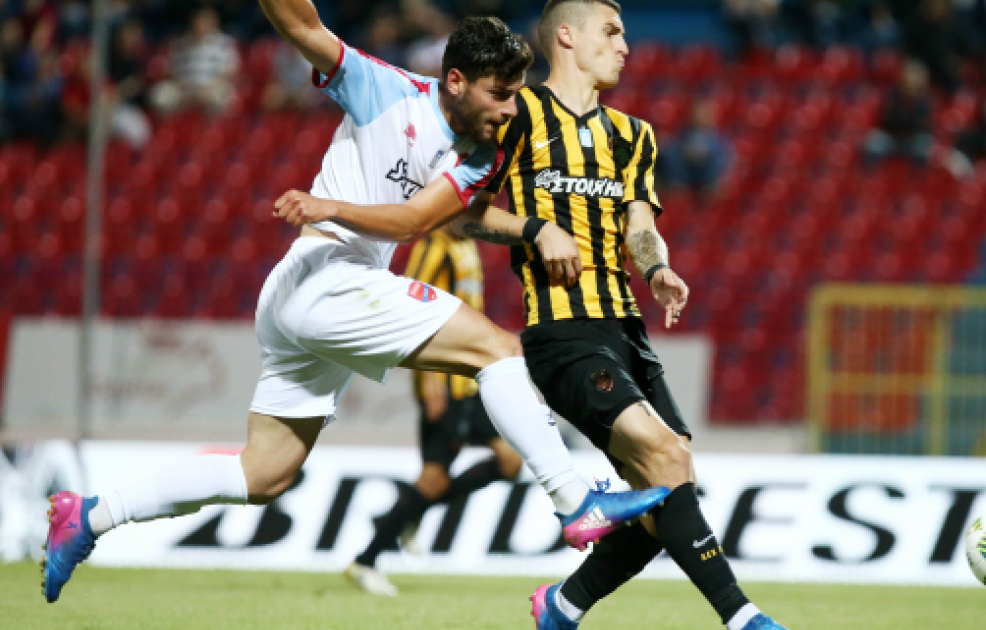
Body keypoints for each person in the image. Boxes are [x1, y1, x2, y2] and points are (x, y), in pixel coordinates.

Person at [40, 2, 670, 605]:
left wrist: (337, 206)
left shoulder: (481, 154)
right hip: (324, 274)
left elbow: (420, 219)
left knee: (264, 474)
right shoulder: (384, 88)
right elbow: (301, 25)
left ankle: (89, 515)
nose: (511, 110)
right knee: (497, 349)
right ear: (455, 81)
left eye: (516, 95)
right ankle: (573, 500)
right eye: (499, 95)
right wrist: (332, 210)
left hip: (321, 289)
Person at [442, 1, 792, 628]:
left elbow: (640, 226)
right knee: (662, 457)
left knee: (670, 479)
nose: (625, 45)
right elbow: (460, 214)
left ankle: (564, 604)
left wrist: (657, 269)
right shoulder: (517, 114)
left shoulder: (634, 135)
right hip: (562, 331)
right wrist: (536, 229)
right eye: (611, 32)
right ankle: (744, 618)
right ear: (567, 37)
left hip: (626, 328)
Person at [344, 227, 523, 597]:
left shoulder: (466, 244)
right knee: (436, 479)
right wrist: (429, 379)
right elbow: (411, 311)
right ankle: (367, 559)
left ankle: (409, 513)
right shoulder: (433, 248)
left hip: (469, 381)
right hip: (444, 382)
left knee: (505, 462)